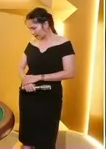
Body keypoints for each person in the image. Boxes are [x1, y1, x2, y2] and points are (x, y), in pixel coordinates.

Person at [17, 8, 76, 149]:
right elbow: (20, 67)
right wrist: (25, 81)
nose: (32, 32)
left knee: (46, 141)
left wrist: (38, 77)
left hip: (50, 98)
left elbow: (70, 72)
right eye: (29, 29)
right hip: (28, 95)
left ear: (46, 24)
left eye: (34, 28)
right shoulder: (31, 43)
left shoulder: (64, 44)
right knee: (27, 140)